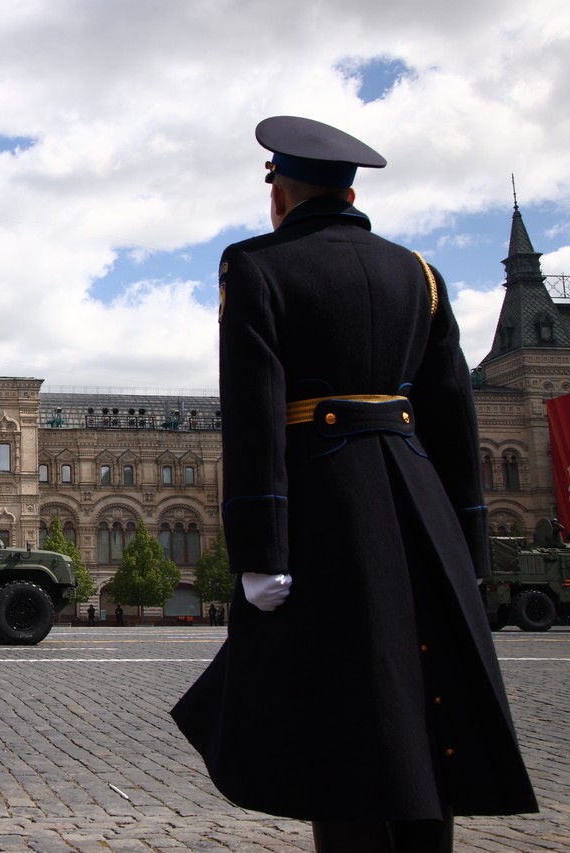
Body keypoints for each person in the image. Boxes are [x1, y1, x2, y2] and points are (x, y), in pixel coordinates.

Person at [170, 116, 537, 851]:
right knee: (429, 701)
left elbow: (255, 412)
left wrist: (260, 550)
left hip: (328, 508)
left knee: (342, 707)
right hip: (421, 509)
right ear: (352, 192)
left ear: (279, 194)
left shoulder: (255, 265)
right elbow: (453, 417)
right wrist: (468, 545)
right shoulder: (420, 274)